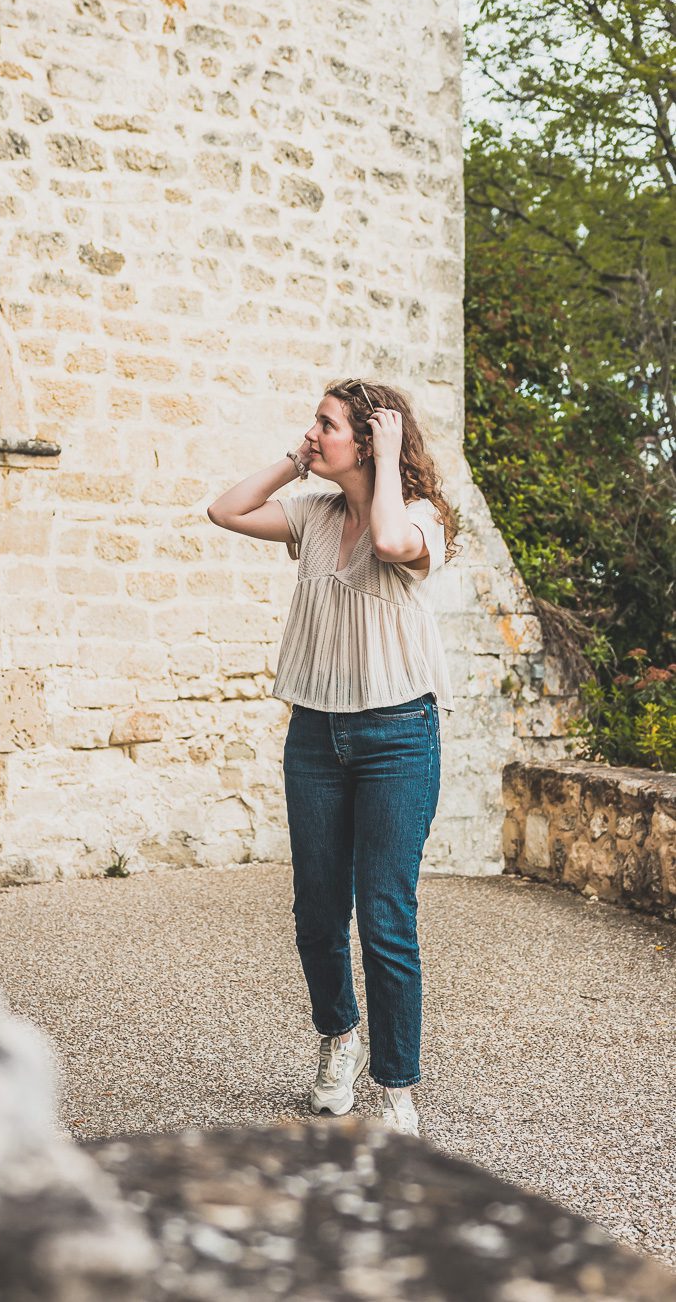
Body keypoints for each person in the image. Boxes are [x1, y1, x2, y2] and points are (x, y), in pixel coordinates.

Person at [207, 378, 458, 1136]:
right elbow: (225, 509)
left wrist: (381, 466)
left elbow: (388, 543)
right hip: (315, 734)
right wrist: (296, 458)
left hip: (398, 738)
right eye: (312, 423)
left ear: (371, 439)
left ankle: (398, 1090)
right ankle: (339, 1038)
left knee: (385, 915)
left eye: (326, 425)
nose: (313, 433)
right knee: (318, 913)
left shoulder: (419, 518)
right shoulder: (311, 516)